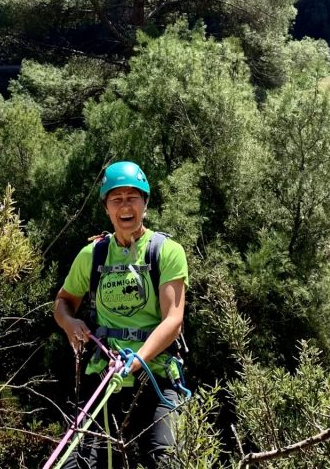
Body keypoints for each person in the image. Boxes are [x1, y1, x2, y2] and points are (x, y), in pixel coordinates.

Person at [53, 161, 189, 468]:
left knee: (164, 457)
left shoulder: (166, 251)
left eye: (132, 198)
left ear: (145, 202)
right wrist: (70, 322)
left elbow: (173, 320)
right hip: (105, 373)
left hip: (154, 372)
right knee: (80, 460)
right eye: (117, 199)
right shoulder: (93, 254)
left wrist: (140, 357)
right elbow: (63, 302)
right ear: (106, 208)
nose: (125, 206)